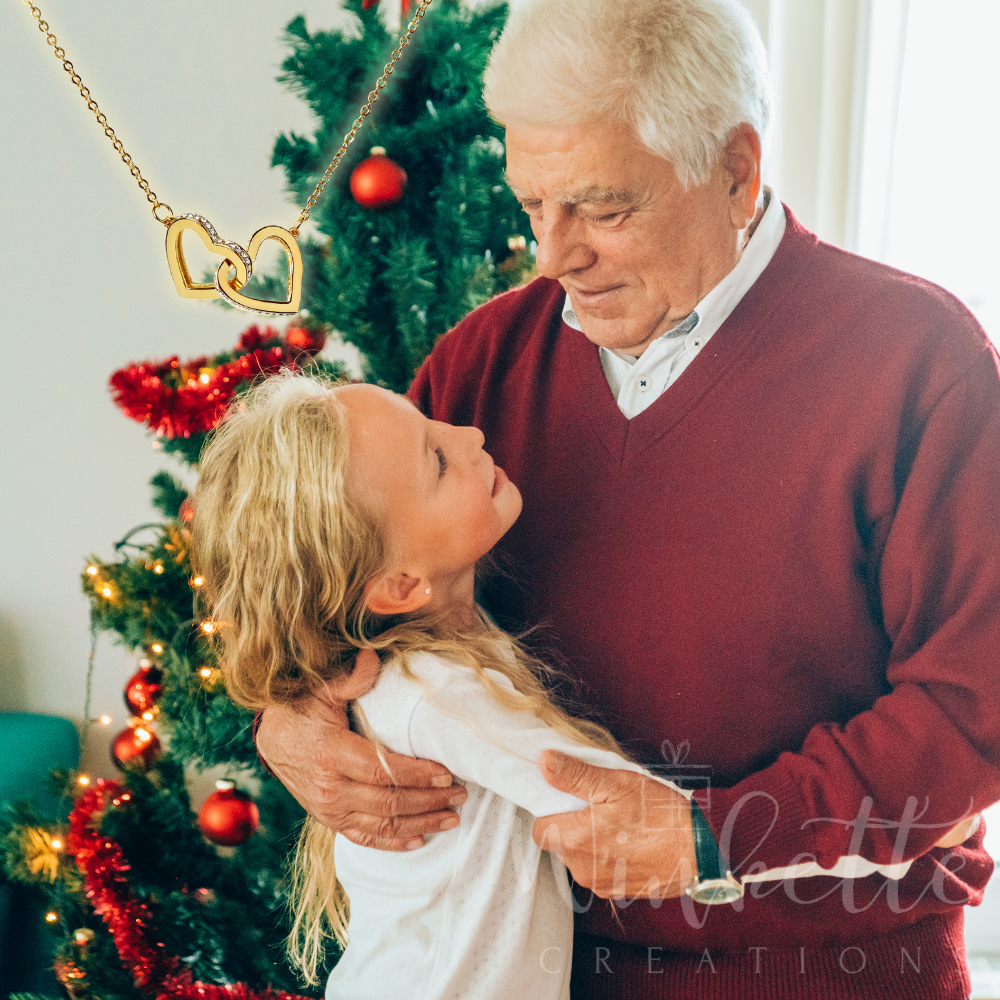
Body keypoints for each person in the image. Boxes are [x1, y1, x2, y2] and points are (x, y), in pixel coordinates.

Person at [256, 0, 1000, 996]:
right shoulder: (481, 368)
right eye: (533, 206)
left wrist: (706, 837)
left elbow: (969, 719)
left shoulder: (920, 362)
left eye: (604, 209)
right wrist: (292, 714)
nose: (557, 254)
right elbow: (344, 574)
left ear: (736, 168)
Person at [192, 374, 697, 999]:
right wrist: (733, 835)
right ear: (401, 586)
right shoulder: (436, 692)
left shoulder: (437, 648)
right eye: (436, 459)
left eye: (432, 423)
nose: (472, 433)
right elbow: (610, 803)